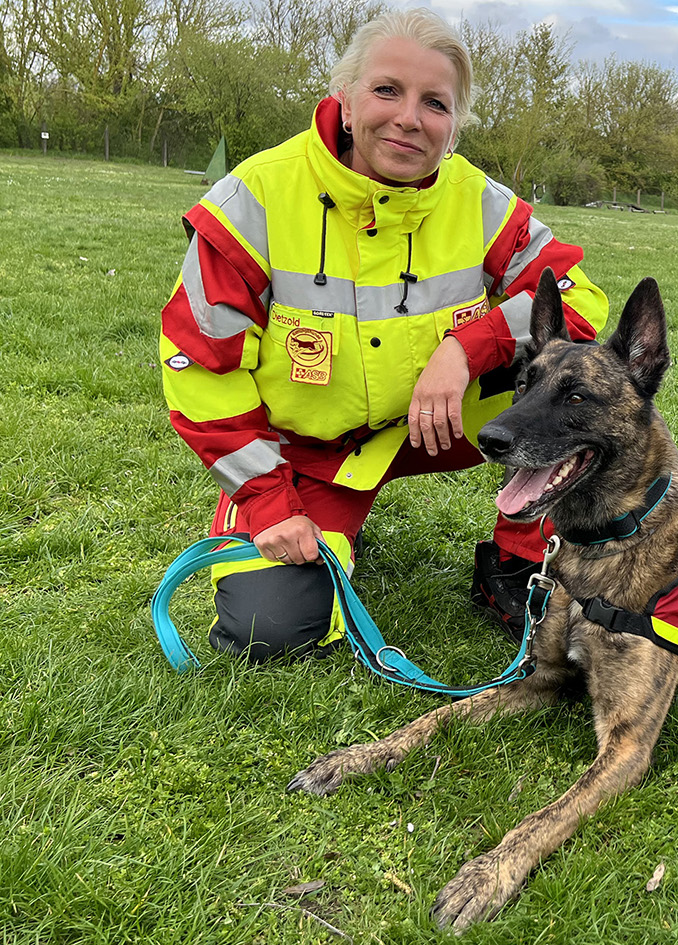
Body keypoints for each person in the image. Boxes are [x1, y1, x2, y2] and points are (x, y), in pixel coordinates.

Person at [158, 7, 608, 661]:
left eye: (435, 103)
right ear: (343, 99)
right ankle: (330, 523)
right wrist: (267, 500)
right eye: (386, 90)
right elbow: (201, 366)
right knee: (270, 632)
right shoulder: (252, 200)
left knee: (583, 388)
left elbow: (578, 304)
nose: (409, 118)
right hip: (312, 449)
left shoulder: (480, 201)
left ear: (453, 126)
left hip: (446, 419)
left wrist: (464, 349)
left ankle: (517, 560)